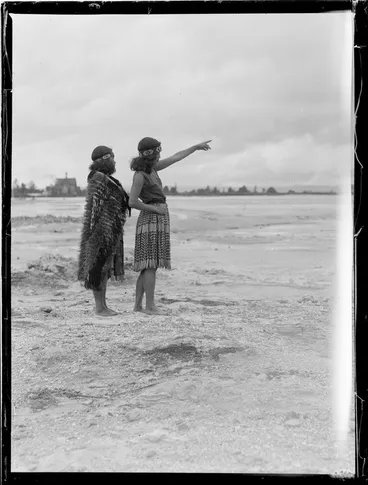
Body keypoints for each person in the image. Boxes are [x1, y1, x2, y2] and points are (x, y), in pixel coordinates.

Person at [128, 137, 211, 314]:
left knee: (148, 264)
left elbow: (176, 157)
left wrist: (195, 147)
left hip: (155, 217)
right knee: (151, 264)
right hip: (151, 219)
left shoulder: (152, 169)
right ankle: (149, 306)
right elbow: (132, 202)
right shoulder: (140, 175)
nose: (160, 155)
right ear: (150, 154)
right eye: (158, 152)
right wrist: (155, 209)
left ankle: (138, 306)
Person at [78, 145, 131, 317]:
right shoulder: (97, 177)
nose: (115, 161)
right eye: (112, 157)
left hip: (111, 228)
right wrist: (97, 232)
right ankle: (99, 308)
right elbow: (95, 206)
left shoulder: (107, 178)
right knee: (98, 267)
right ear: (104, 159)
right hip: (101, 229)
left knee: (105, 268)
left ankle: (104, 305)